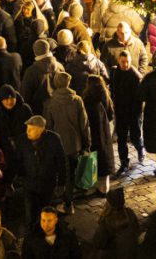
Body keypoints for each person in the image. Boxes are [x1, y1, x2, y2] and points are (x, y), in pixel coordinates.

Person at [44, 71, 90, 214]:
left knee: (62, 173)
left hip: (58, 145)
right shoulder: (77, 100)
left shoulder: (50, 102)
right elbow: (84, 124)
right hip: (74, 144)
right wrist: (86, 143)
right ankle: (69, 202)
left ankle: (61, 200)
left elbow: (48, 126)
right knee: (72, 173)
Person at [17, 115, 67, 231]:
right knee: (29, 212)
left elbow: (61, 162)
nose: (28, 131)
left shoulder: (53, 139)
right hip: (29, 183)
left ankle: (44, 231)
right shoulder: (23, 140)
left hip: (47, 183)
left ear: (41, 129)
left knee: (45, 210)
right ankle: (30, 233)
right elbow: (18, 160)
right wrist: (20, 177)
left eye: (32, 129)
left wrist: (61, 183)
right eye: (27, 128)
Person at [110, 50, 144, 174]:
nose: (125, 64)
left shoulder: (135, 76)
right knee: (121, 139)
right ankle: (124, 162)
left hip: (133, 112)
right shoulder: (115, 72)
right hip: (120, 112)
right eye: (123, 62)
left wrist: (136, 114)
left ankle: (140, 148)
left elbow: (139, 98)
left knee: (135, 136)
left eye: (127, 62)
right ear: (119, 60)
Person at [83, 74, 115, 195]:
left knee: (92, 158)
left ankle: (92, 185)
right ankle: (104, 188)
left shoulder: (87, 100)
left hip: (93, 132)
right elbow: (111, 115)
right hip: (104, 132)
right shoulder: (105, 97)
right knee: (104, 158)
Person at [92, 186, 141, 258]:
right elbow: (137, 230)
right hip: (132, 253)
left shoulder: (107, 221)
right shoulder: (130, 213)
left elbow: (98, 242)